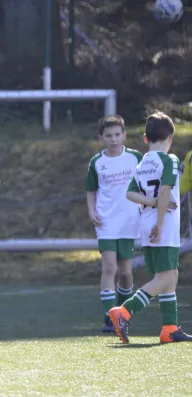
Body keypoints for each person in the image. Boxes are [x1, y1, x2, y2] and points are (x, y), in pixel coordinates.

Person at [109, 111, 192, 344]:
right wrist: (160, 222)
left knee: (170, 274)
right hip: (162, 227)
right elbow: (165, 190)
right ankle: (124, 311)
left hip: (146, 224)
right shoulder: (170, 160)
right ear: (170, 138)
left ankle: (169, 328)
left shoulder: (143, 162)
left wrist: (153, 207)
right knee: (166, 276)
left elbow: (131, 193)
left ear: (146, 139)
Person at [85, 115, 141, 333]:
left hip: (129, 220)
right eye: (108, 135)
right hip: (106, 220)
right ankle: (110, 318)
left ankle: (122, 313)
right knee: (109, 267)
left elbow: (146, 184)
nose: (114, 139)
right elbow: (91, 190)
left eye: (117, 135)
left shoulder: (136, 158)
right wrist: (92, 211)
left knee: (126, 272)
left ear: (124, 135)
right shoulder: (97, 162)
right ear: (101, 138)